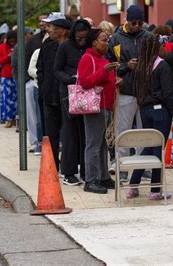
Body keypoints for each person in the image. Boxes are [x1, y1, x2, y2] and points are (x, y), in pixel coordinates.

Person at [127, 35, 173, 200]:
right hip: (160, 111)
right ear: (157, 48)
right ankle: (155, 190)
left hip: (144, 110)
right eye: (163, 46)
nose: (165, 48)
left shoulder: (140, 66)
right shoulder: (162, 66)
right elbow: (169, 93)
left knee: (149, 146)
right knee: (157, 149)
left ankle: (133, 185)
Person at [108, 5, 151, 180]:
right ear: (127, 21)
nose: (137, 26)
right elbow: (110, 64)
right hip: (125, 90)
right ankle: (122, 167)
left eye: (140, 23)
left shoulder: (147, 37)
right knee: (122, 130)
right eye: (134, 23)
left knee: (144, 131)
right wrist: (127, 66)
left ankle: (143, 167)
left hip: (145, 90)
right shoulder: (116, 39)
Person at [78, 29, 120, 194]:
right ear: (94, 42)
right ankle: (91, 180)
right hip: (96, 107)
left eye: (107, 39)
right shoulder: (87, 58)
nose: (107, 43)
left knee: (103, 144)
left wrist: (115, 81)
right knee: (94, 144)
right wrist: (105, 72)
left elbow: (104, 80)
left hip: (106, 106)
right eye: (103, 40)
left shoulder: (102, 59)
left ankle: (103, 176)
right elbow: (84, 82)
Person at [54, 19, 91, 186]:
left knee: (86, 133)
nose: (81, 40)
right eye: (78, 37)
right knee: (70, 132)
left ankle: (85, 170)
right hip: (69, 92)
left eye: (84, 37)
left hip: (87, 91)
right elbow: (57, 70)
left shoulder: (90, 47)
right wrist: (69, 79)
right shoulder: (65, 46)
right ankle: (68, 171)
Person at [37, 12, 71, 171]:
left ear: (63, 30)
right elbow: (40, 68)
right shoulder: (47, 45)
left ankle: (68, 167)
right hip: (49, 96)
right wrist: (43, 87)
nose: (48, 29)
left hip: (67, 97)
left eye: (52, 27)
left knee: (69, 134)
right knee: (51, 134)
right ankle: (52, 165)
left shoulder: (71, 46)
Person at [0, 30, 17, 127]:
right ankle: (8, 118)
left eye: (14, 41)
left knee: (17, 98)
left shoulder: (19, 47)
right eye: (11, 41)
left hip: (16, 76)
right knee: (6, 99)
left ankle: (16, 118)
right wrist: (8, 57)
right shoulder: (2, 48)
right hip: (6, 76)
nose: (12, 43)